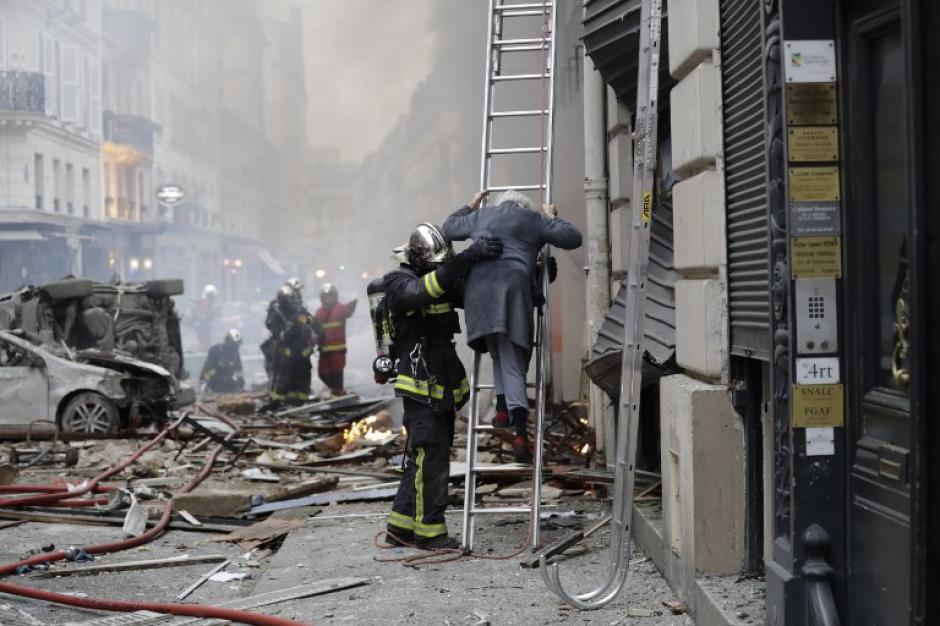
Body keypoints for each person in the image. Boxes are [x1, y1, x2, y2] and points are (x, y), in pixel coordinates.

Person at [382, 223, 502, 550]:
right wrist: (464, 259)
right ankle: (430, 533)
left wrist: (530, 273)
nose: (439, 270)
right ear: (417, 257)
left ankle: (400, 527)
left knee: (423, 457)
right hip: (420, 387)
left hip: (441, 384)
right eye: (435, 264)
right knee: (432, 458)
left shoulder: (441, 278)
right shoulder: (398, 282)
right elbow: (421, 292)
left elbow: (475, 292)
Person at [442, 189, 582, 462]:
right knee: (514, 363)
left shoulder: (481, 215)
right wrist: (551, 217)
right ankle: (520, 437)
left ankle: (502, 410)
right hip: (511, 295)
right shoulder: (532, 219)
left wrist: (470, 205)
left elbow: (448, 228)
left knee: (499, 353)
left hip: (478, 295)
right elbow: (573, 237)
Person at [269, 293, 320, 407]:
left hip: (303, 352)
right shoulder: (280, 314)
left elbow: (314, 325)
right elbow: (277, 333)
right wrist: (289, 331)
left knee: (303, 378)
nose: (295, 303)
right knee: (285, 378)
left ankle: (300, 400)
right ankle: (279, 402)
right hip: (289, 353)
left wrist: (308, 322)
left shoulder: (302, 313)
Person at [314, 283, 357, 397]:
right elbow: (314, 328)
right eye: (326, 296)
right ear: (322, 297)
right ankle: (335, 390)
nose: (328, 299)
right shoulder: (319, 311)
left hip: (338, 350)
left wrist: (352, 306)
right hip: (323, 350)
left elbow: (347, 311)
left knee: (336, 372)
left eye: (331, 296)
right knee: (322, 373)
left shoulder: (340, 308)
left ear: (335, 296)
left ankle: (338, 392)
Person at [200, 329, 244, 393]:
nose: (237, 347)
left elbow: (238, 370)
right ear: (229, 342)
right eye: (235, 344)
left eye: (238, 344)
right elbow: (207, 370)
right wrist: (205, 385)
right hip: (214, 383)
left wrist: (240, 383)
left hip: (228, 382)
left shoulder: (235, 354)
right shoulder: (216, 351)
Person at [191, 284, 221, 351]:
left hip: (204, 327)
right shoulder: (205, 303)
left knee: (206, 343)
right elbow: (204, 316)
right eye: (212, 296)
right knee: (205, 344)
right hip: (203, 327)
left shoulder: (210, 303)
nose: (213, 298)